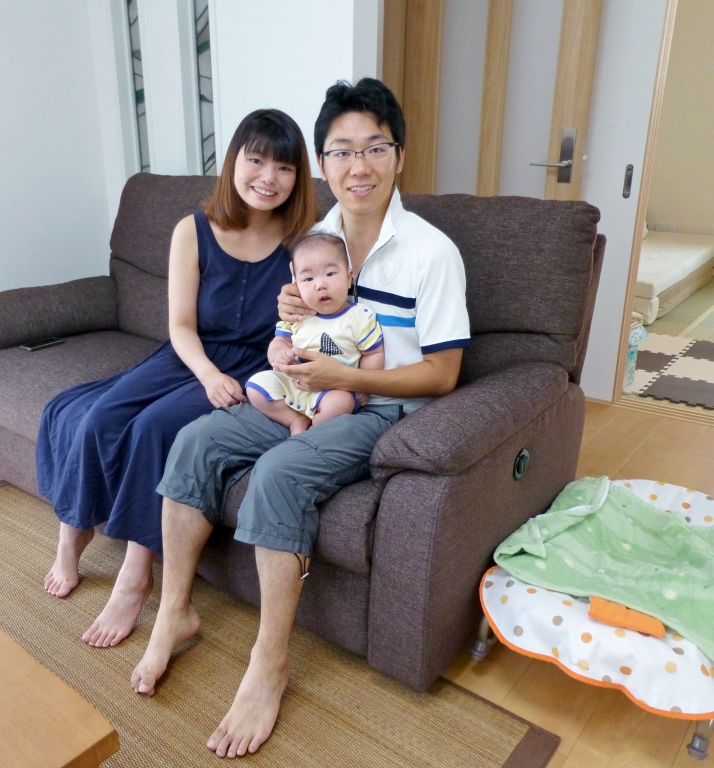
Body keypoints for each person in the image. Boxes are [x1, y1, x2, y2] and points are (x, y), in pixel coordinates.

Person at [131, 78, 472, 759]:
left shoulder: (432, 252)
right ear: (323, 163)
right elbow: (285, 328)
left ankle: (269, 664)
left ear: (399, 156)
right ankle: (174, 611)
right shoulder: (312, 240)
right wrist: (288, 329)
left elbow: (444, 374)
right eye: (342, 151)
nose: (358, 166)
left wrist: (348, 378)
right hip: (303, 388)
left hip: (379, 408)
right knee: (194, 440)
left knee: (281, 472)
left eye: (375, 148)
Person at [35, 108, 318, 649]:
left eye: (284, 168)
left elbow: (316, 321)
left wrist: (300, 318)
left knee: (155, 428)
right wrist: (207, 375)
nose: (268, 178)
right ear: (233, 161)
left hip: (254, 364)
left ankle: (136, 576)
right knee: (98, 416)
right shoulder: (193, 229)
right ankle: (72, 535)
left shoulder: (301, 243)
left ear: (297, 177)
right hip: (189, 355)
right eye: (256, 161)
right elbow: (181, 326)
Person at [245, 232, 384, 434]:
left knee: (340, 404)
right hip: (294, 382)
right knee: (256, 387)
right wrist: (278, 353)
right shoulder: (297, 314)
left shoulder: (359, 316)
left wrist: (363, 385)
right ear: (296, 284)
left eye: (330, 274)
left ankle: (314, 433)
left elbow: (373, 353)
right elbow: (280, 340)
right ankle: (295, 420)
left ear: (348, 278)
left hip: (335, 388)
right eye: (308, 278)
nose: (320, 285)